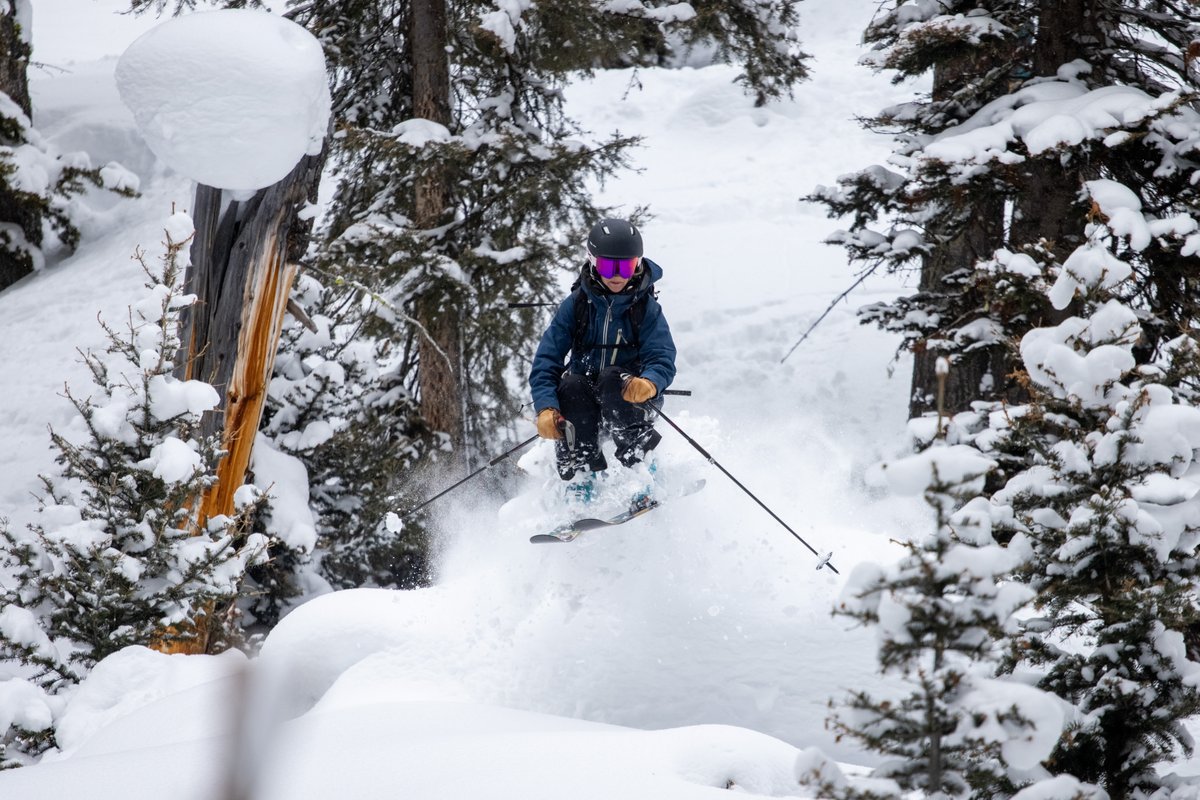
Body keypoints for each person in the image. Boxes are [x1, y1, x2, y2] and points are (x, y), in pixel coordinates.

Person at [529, 218, 677, 482]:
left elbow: (662, 357)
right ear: (593, 262)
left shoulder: (645, 308)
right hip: (583, 404)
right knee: (572, 385)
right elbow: (546, 361)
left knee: (611, 378)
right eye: (609, 267)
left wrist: (650, 383)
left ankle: (642, 469)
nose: (618, 275)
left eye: (627, 266)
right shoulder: (576, 306)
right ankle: (582, 479)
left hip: (629, 398)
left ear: (639, 264)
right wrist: (546, 407)